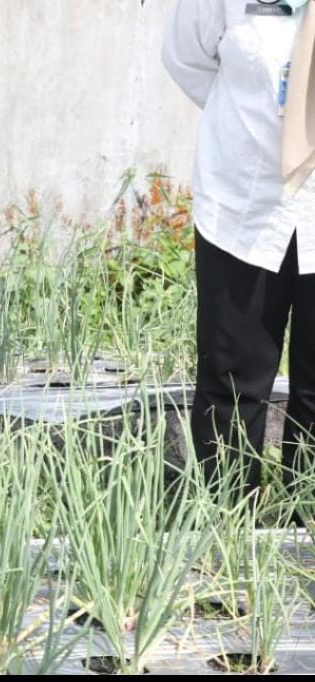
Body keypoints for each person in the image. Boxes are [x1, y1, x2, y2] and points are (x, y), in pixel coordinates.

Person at [163, 0, 315, 503]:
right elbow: (185, 56)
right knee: (232, 382)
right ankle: (229, 529)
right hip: (243, 203)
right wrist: (251, 119)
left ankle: (306, 524)